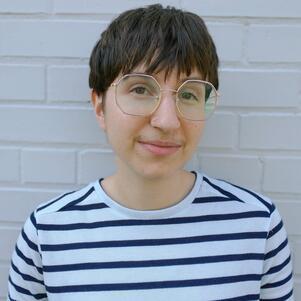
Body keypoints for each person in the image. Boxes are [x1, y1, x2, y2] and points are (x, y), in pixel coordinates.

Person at [7, 4, 294, 301]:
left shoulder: (258, 226)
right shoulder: (47, 234)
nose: (167, 121)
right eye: (141, 90)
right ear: (99, 106)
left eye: (188, 94)